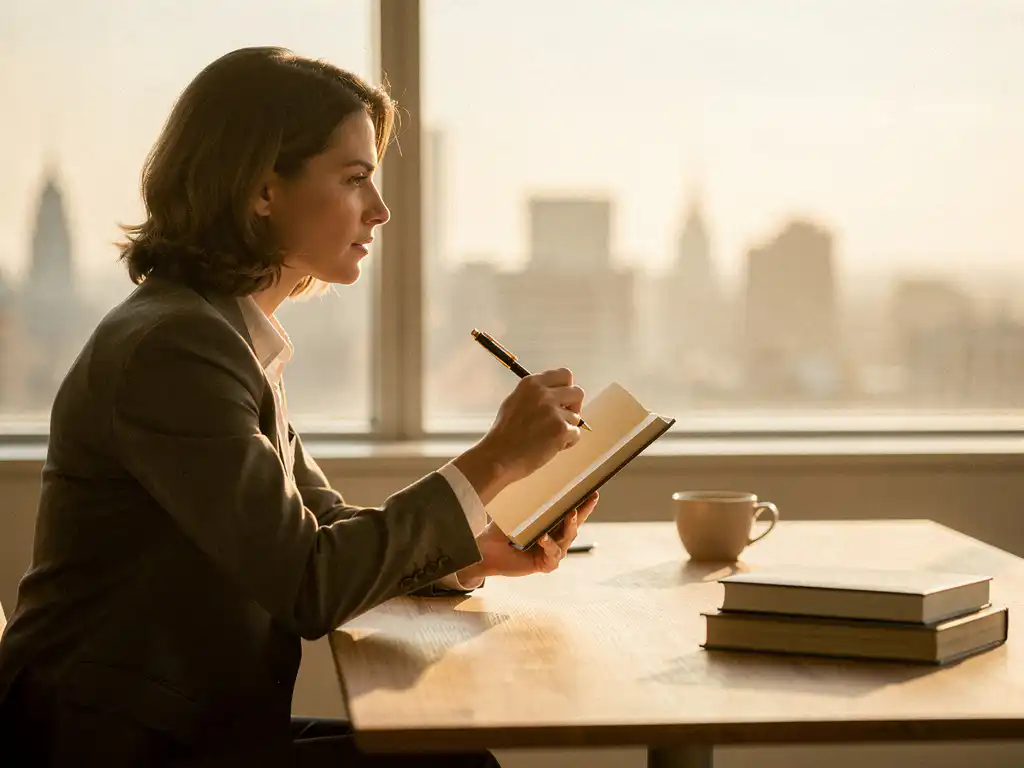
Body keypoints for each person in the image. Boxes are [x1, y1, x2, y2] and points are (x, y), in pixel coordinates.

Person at [0, 47, 598, 767]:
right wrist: (496, 456)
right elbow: (309, 583)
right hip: (118, 746)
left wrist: (476, 555)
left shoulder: (219, 331)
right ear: (262, 191)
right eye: (354, 180)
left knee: (448, 756)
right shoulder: (176, 348)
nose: (379, 211)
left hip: (181, 729)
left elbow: (326, 527)